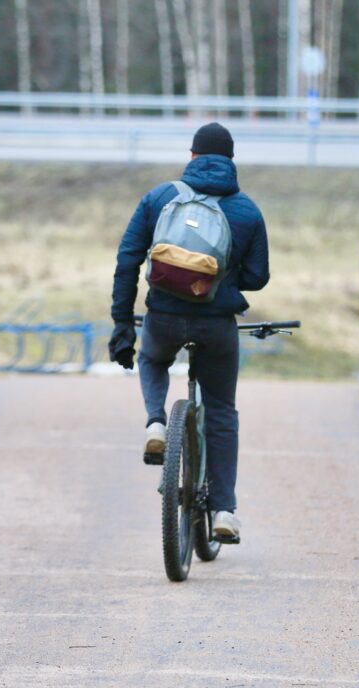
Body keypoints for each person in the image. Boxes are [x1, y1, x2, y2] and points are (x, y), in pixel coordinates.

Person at [108, 122, 270, 542]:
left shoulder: (160, 198)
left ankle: (156, 424)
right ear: (231, 160)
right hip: (216, 326)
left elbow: (127, 259)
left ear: (193, 156)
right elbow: (257, 277)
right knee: (221, 411)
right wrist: (217, 279)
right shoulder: (247, 211)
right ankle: (223, 510)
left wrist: (122, 322)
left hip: (163, 317)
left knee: (152, 359)